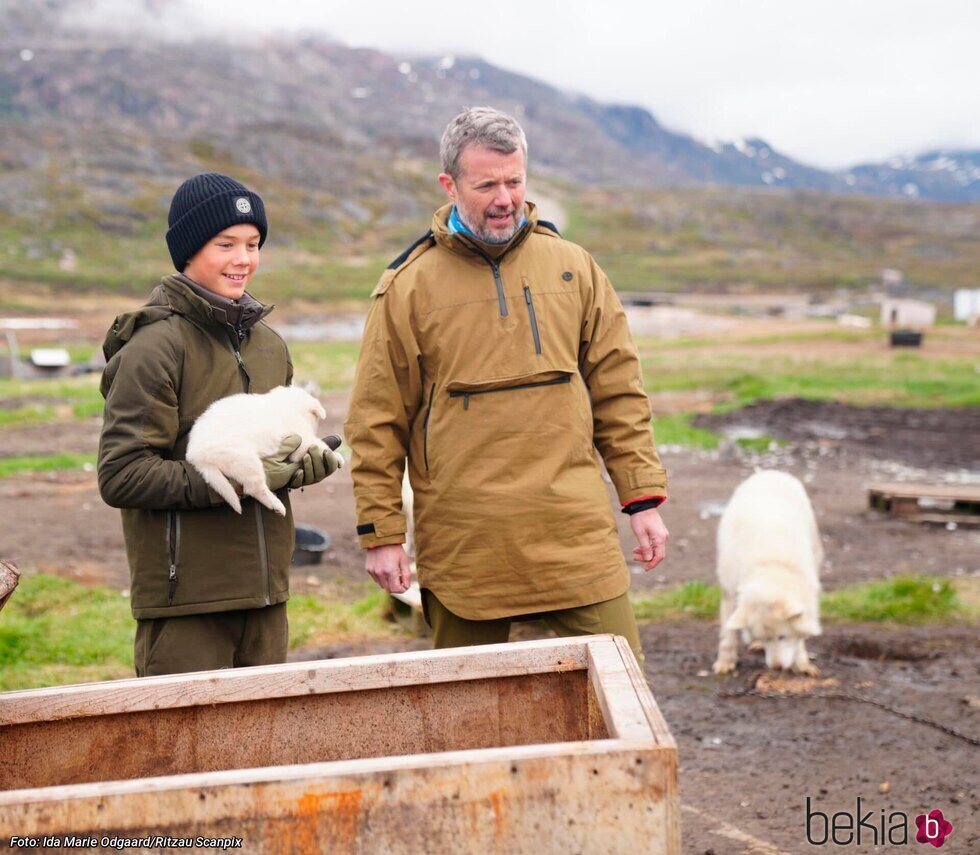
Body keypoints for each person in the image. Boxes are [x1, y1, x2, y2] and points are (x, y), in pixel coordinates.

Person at [344, 108, 668, 660]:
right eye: (487, 184)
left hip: (574, 534)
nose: (505, 199)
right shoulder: (407, 286)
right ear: (449, 185)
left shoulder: (575, 267)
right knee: (466, 717)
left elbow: (618, 390)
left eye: (515, 181)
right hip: (467, 545)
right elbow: (377, 419)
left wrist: (641, 499)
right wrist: (383, 533)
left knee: (623, 695)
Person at [98, 173, 341, 676]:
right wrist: (238, 474)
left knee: (262, 751)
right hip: (186, 604)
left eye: (253, 244)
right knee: (181, 754)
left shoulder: (270, 346)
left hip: (266, 598)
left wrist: (298, 464)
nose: (243, 259)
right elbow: (121, 474)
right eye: (225, 244)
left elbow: (273, 450)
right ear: (188, 250)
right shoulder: (153, 347)